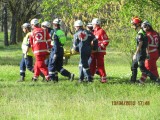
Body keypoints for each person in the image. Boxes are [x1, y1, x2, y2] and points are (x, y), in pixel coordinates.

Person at [130, 17, 160, 84]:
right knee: (151, 67)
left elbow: (146, 44)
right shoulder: (156, 33)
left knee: (146, 67)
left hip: (151, 52)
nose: (143, 28)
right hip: (156, 52)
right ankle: (143, 80)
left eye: (144, 27)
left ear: (148, 27)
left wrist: (146, 53)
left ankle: (156, 80)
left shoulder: (147, 34)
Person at [90, 18, 109, 83]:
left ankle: (103, 79)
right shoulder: (93, 31)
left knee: (100, 65)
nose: (92, 25)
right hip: (94, 51)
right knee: (92, 64)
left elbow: (106, 41)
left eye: (93, 24)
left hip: (100, 52)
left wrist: (100, 47)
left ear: (95, 24)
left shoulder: (101, 31)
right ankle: (90, 77)